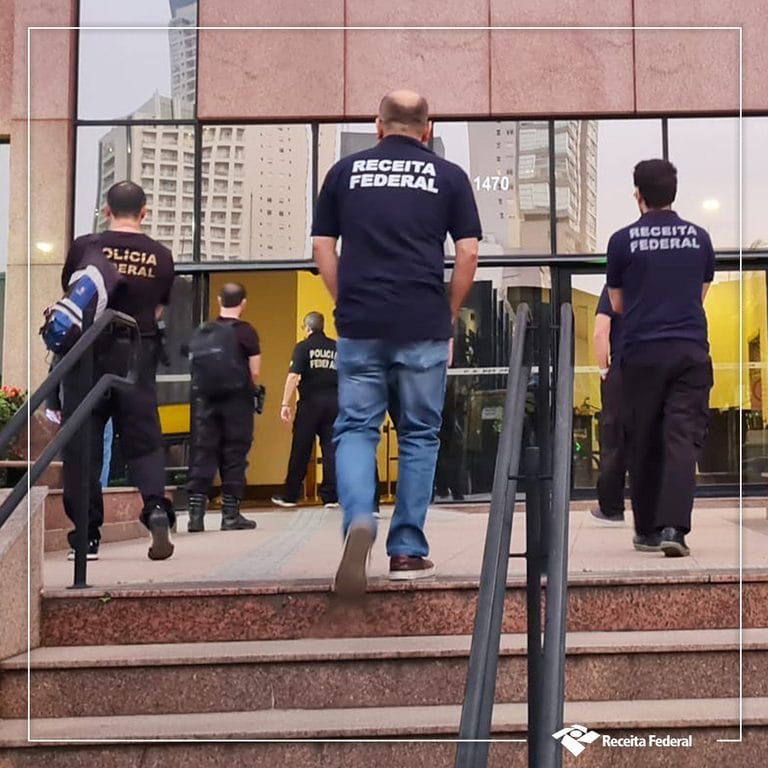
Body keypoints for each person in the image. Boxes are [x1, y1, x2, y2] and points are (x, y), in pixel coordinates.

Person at [312, 89, 481, 599]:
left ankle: (359, 519)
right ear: (427, 129)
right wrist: (448, 314)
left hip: (362, 322)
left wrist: (345, 300)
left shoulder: (344, 173)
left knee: (357, 429)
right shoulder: (448, 176)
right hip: (422, 324)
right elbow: (468, 252)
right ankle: (406, 548)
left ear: (378, 126)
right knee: (419, 435)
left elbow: (322, 245)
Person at [61, 180, 176, 561]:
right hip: (137, 352)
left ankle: (86, 537)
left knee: (84, 444)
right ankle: (156, 509)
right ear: (145, 212)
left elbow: (73, 293)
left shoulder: (86, 247)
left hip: (89, 354)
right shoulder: (161, 255)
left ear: (106, 210)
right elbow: (159, 310)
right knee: (143, 440)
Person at [606, 159, 714, 557]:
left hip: (642, 352)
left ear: (639, 196)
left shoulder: (622, 241)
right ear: (673, 193)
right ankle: (675, 528)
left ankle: (647, 530)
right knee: (682, 439)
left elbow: (617, 303)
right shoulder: (699, 239)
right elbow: (699, 295)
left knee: (644, 439)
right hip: (689, 351)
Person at [185, 282, 261, 533]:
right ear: (244, 304)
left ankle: (195, 515)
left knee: (203, 452)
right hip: (237, 402)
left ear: (219, 301)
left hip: (205, 401)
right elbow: (255, 372)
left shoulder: (203, 331)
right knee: (234, 454)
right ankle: (230, 515)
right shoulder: (247, 332)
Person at [271, 311, 338, 508]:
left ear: (307, 328)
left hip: (310, 403)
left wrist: (285, 403)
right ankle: (331, 496)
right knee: (331, 450)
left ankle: (291, 494)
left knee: (301, 448)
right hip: (335, 403)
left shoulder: (303, 347)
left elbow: (293, 376)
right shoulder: (336, 347)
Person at [590, 284, 626, 524]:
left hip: (623, 368)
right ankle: (661, 513)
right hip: (657, 363)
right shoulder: (662, 282)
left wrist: (604, 369)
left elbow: (600, 332)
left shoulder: (617, 285)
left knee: (614, 438)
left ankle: (612, 507)